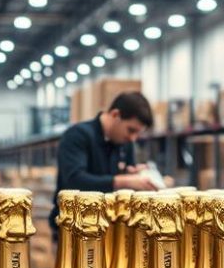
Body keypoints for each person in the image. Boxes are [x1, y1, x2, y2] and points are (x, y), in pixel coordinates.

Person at [53, 91, 158, 225]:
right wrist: (123, 180)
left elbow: (122, 183)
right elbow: (74, 180)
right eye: (131, 130)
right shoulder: (77, 135)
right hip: (74, 226)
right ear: (115, 115)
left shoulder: (126, 143)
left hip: (110, 225)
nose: (133, 138)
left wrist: (131, 174)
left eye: (137, 133)